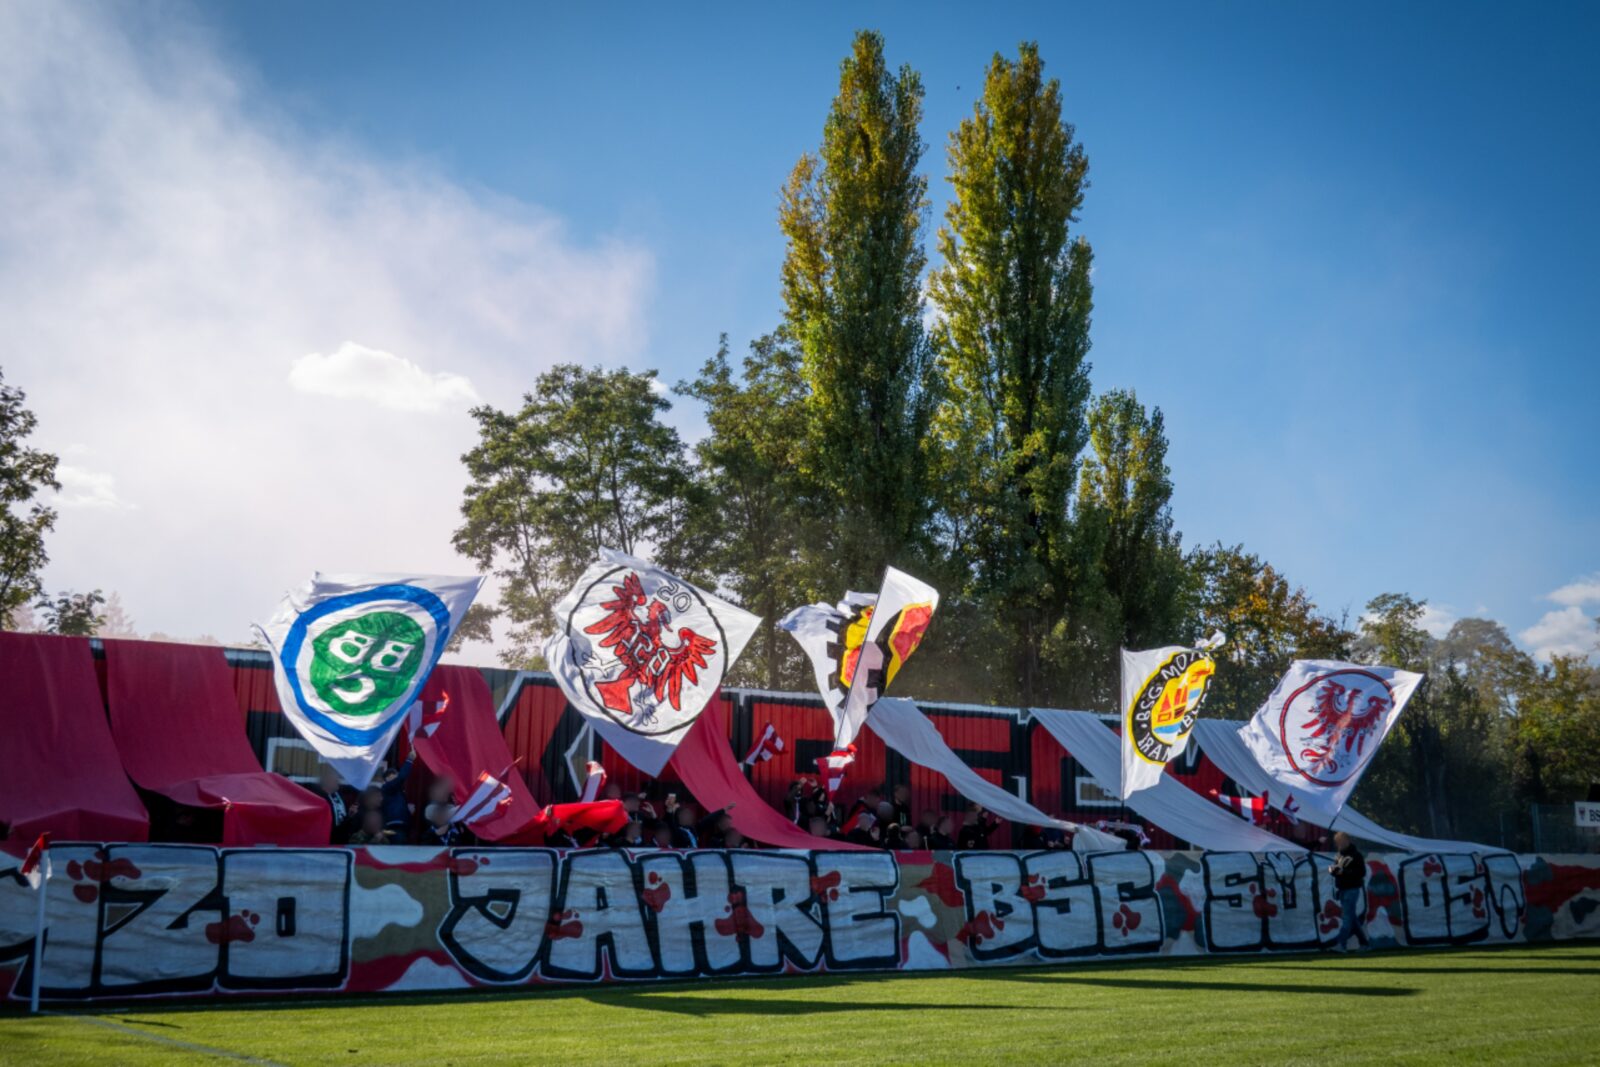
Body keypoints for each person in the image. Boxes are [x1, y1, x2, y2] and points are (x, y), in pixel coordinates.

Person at [1328, 831, 1370, 951]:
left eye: (1341, 841)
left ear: (1347, 841)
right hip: (1342, 889)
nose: (1339, 844)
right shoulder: (1338, 856)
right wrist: (1333, 871)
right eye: (1338, 842)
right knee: (1351, 918)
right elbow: (1336, 872)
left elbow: (1362, 873)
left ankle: (1341, 944)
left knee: (1347, 918)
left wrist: (1344, 872)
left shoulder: (1356, 855)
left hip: (1352, 889)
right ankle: (1364, 943)